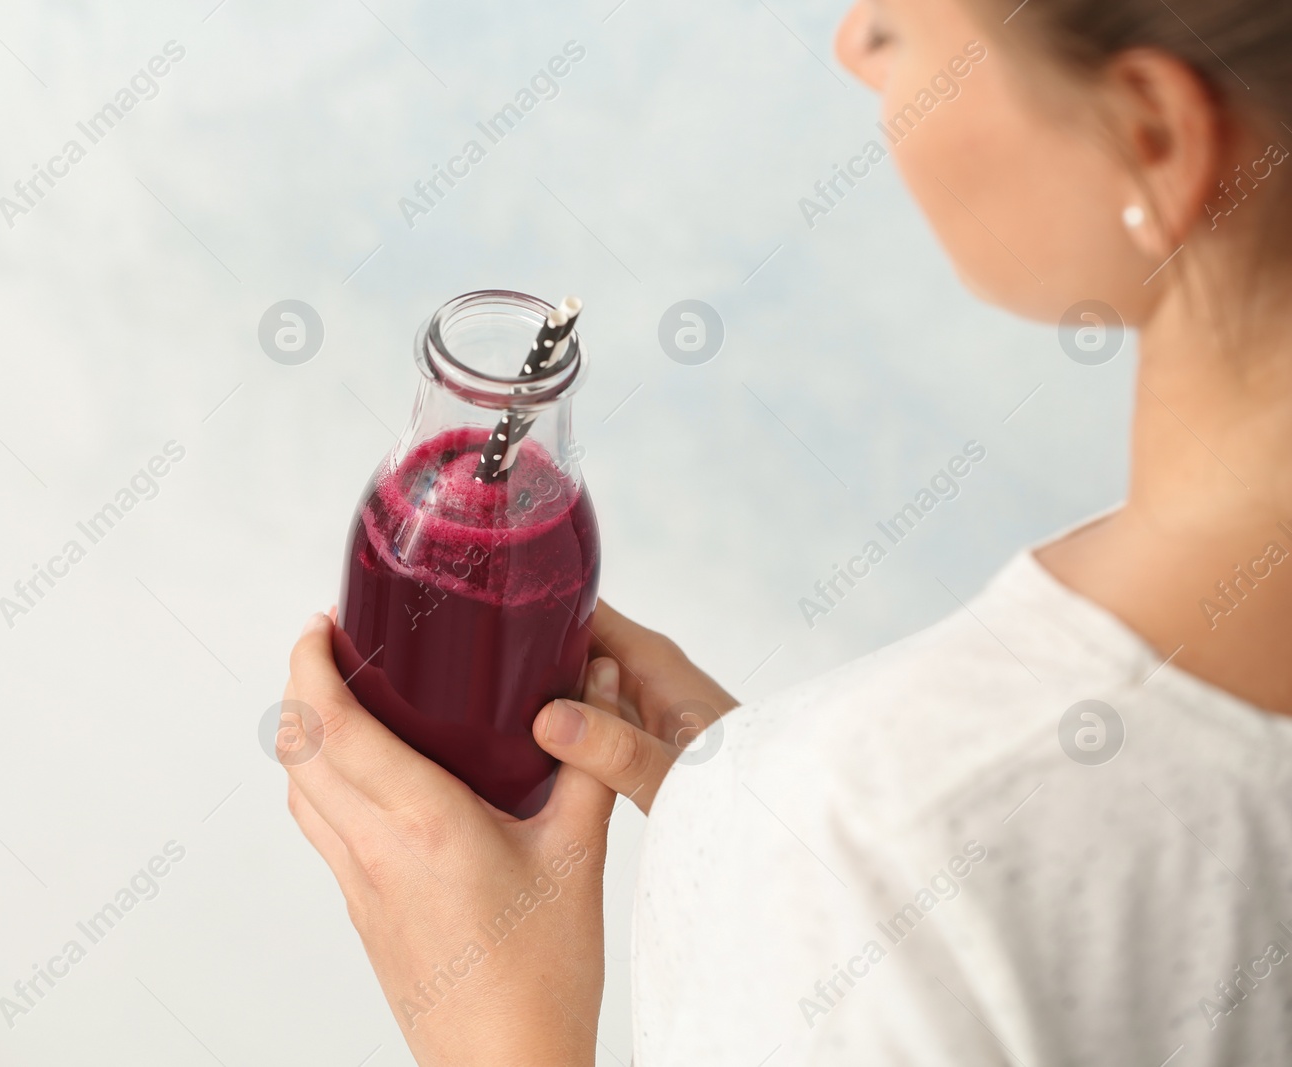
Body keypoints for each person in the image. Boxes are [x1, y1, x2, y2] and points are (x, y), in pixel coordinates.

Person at [280, 0, 1292, 1061]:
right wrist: (782, 880)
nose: (855, 40)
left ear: (1153, 134)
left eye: (904, 14)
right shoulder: (874, 838)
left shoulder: (880, 844)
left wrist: (494, 1025)